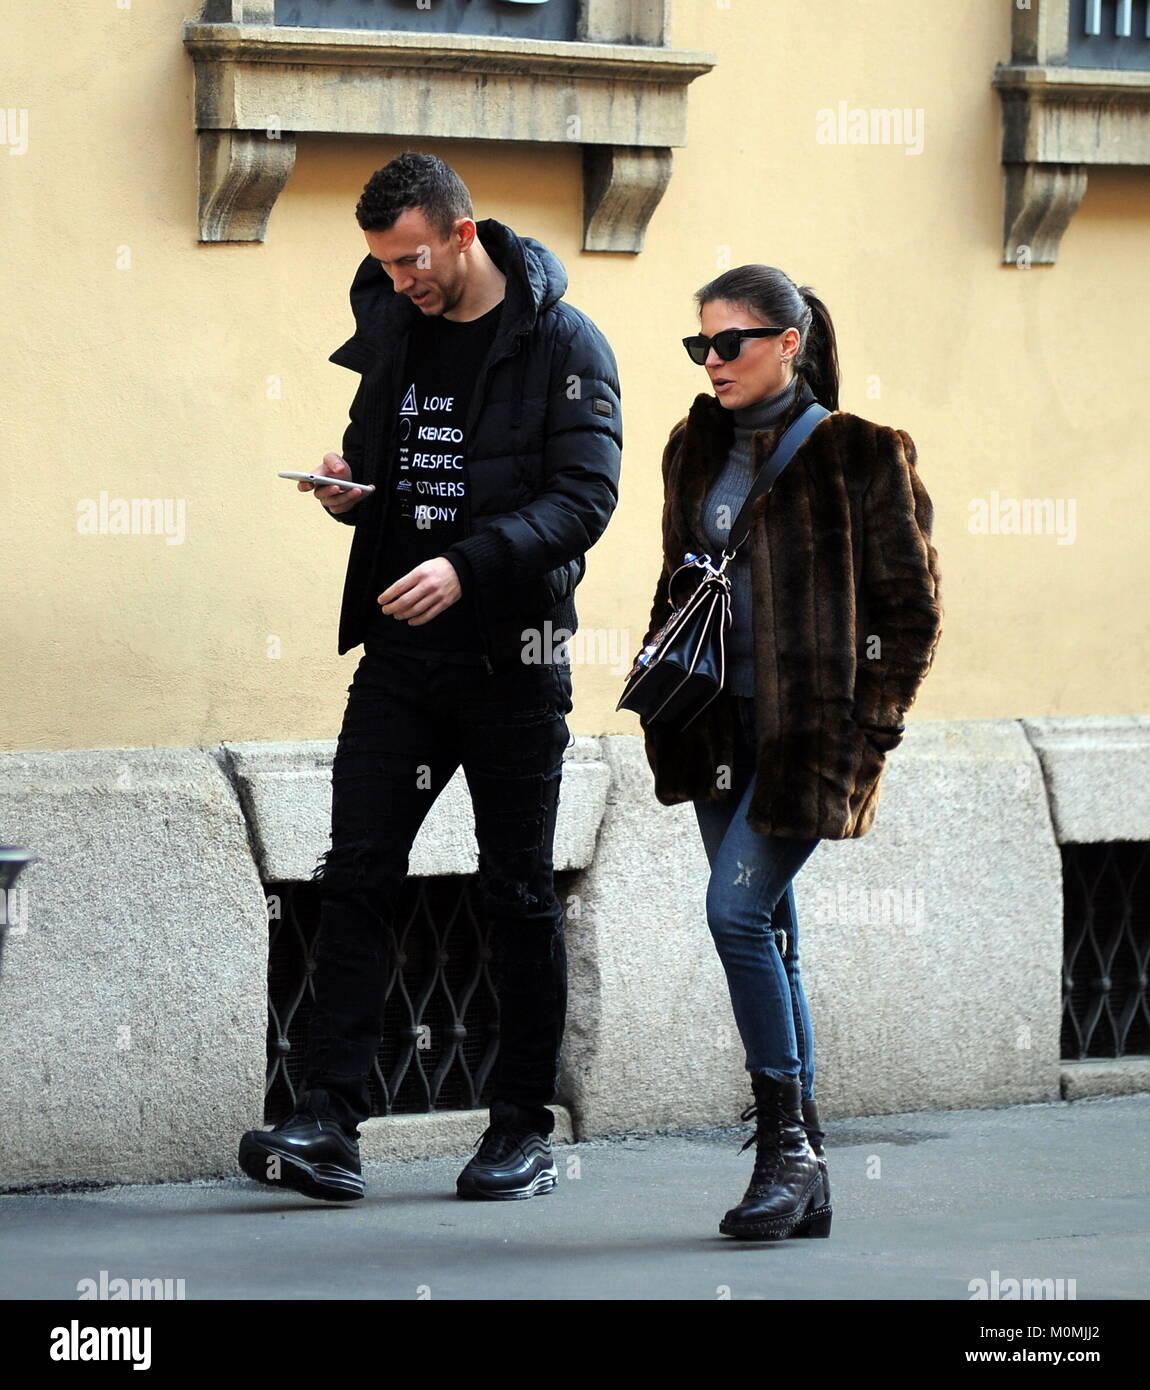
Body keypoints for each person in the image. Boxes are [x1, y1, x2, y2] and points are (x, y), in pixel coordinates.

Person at [239, 153, 621, 1202]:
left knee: (515, 892)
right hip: (403, 658)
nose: (399, 279)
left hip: (514, 661)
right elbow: (386, 459)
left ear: (461, 233)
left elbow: (583, 499)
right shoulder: (396, 324)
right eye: (383, 262)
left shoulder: (561, 342)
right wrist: (349, 493)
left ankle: (517, 1132)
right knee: (356, 869)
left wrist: (467, 563)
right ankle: (326, 1121)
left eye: (411, 258)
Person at [637, 265, 942, 1239]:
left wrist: (869, 731)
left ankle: (787, 1152)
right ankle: (802, 1165)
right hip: (714, 728)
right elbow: (678, 576)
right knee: (772, 933)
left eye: (730, 342)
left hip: (808, 738)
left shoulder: (861, 455)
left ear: (788, 341)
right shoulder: (692, 447)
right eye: (701, 345)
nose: (713, 360)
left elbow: (911, 609)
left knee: (732, 912)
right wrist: (658, 681)